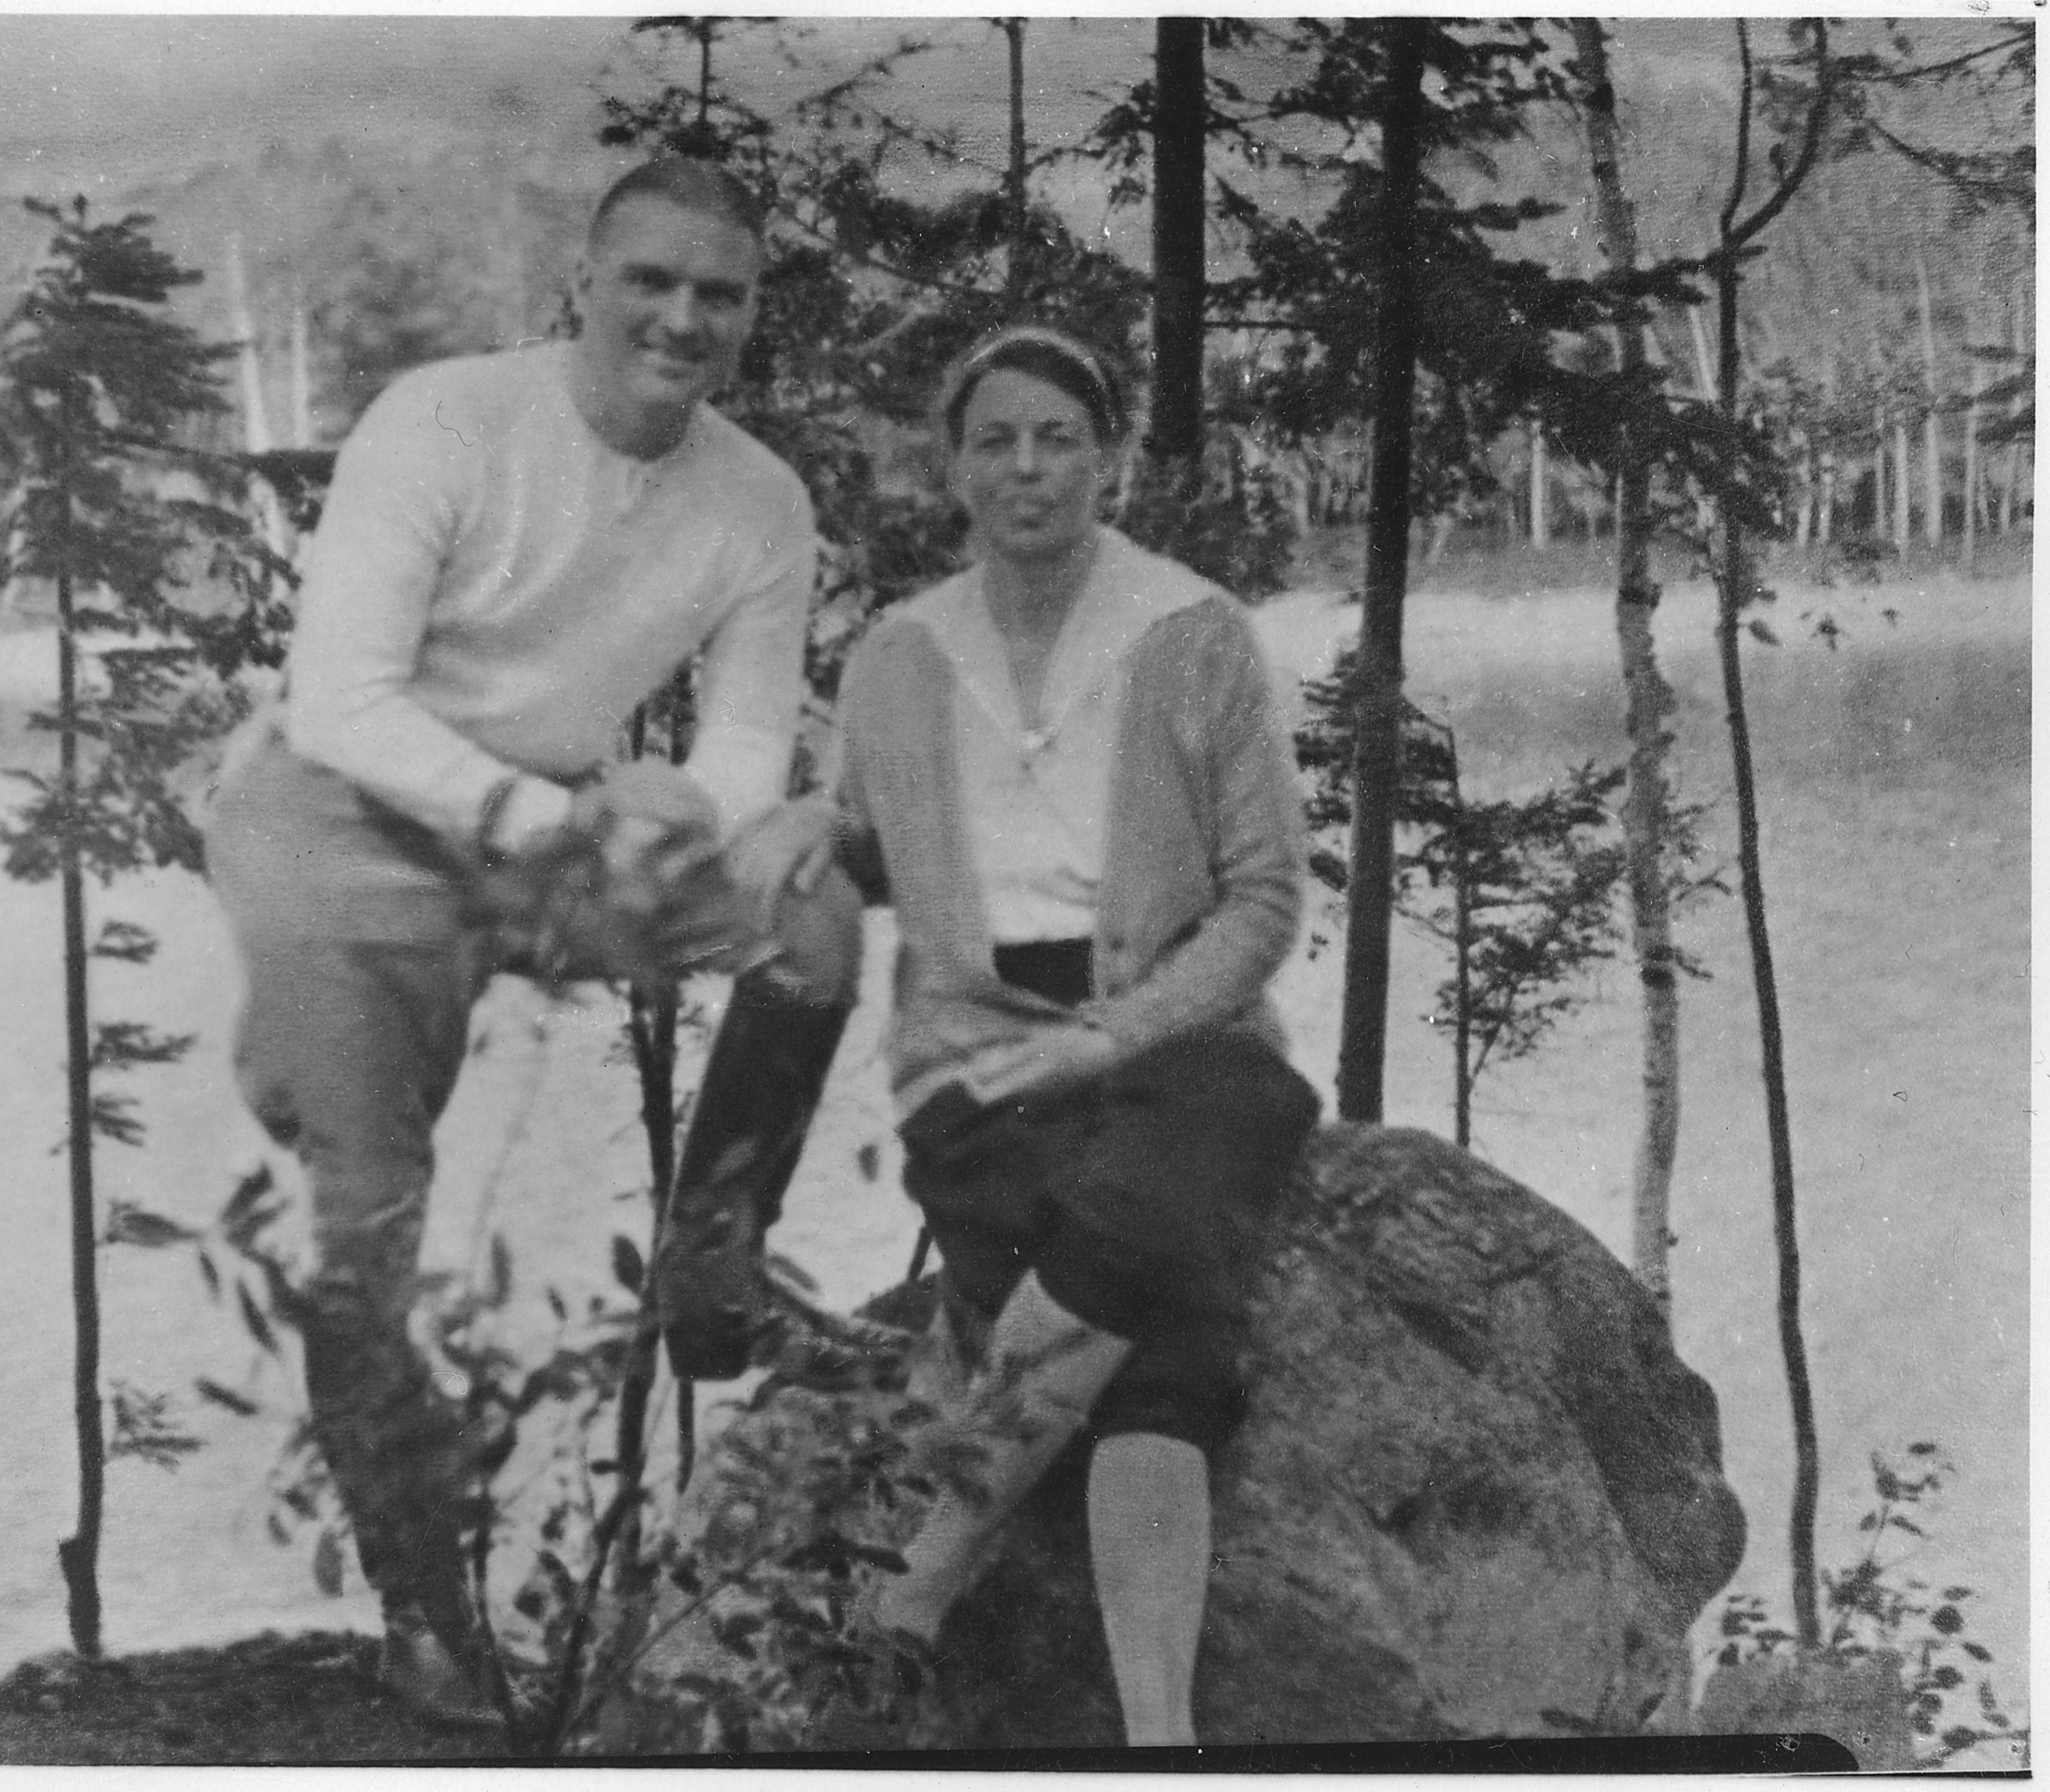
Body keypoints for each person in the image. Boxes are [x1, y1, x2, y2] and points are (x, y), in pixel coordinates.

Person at [204, 156, 857, 1730]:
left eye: (722, 293)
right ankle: (421, 1608)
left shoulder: (758, 498)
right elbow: (347, 700)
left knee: (808, 922)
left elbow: (752, 732)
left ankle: (712, 1261)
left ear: (752, 314)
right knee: (366, 1224)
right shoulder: (445, 421)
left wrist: (679, 815)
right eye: (652, 280)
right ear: (583, 282)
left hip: (551, 830)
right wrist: (555, 821)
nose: (683, 318)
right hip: (340, 817)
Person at [816, 327, 1322, 1746]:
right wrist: (798, 838)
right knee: (1172, 1346)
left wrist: (1108, 1036)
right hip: (975, 1057)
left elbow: (1266, 900)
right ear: (954, 463)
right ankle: (1163, 1747)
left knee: (1239, 1112)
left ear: (1109, 458)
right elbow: (867, 851)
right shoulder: (899, 656)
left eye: (1059, 438)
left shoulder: (1192, 633)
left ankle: (917, 1587)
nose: (1028, 468)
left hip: (1177, 1039)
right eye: (997, 440)